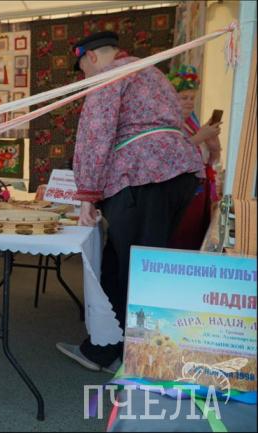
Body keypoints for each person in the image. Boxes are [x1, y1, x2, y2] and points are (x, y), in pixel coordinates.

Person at [56, 32, 203, 373]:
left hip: (142, 178)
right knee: (121, 262)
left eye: (82, 68)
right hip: (178, 172)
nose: (84, 76)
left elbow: (95, 135)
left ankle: (139, 366)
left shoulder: (110, 76)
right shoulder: (153, 73)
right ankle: (105, 348)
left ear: (92, 57)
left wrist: (88, 193)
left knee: (138, 272)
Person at [167, 65, 222, 249]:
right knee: (181, 238)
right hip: (180, 193)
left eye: (192, 98)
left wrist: (213, 146)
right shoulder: (168, 123)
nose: (190, 102)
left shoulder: (193, 123)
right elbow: (172, 154)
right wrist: (201, 136)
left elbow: (209, 161)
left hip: (198, 192)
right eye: (184, 98)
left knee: (194, 239)